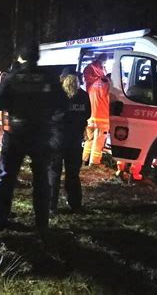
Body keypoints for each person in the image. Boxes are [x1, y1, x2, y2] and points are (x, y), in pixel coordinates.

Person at [0, 42, 66, 237]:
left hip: (16, 135)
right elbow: (63, 103)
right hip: (41, 135)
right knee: (41, 179)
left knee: (7, 177)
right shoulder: (49, 78)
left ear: (20, 58)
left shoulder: (13, 77)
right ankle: (41, 223)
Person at [49, 68, 91, 214]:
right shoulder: (83, 95)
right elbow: (87, 114)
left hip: (56, 140)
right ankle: (75, 204)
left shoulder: (56, 94)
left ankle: (51, 206)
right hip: (74, 141)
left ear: (63, 79)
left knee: (54, 173)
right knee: (72, 174)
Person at [82, 53, 110, 166]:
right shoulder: (106, 85)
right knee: (98, 144)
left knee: (89, 141)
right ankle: (94, 164)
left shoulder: (91, 85)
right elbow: (111, 101)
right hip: (102, 119)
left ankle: (84, 160)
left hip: (90, 118)